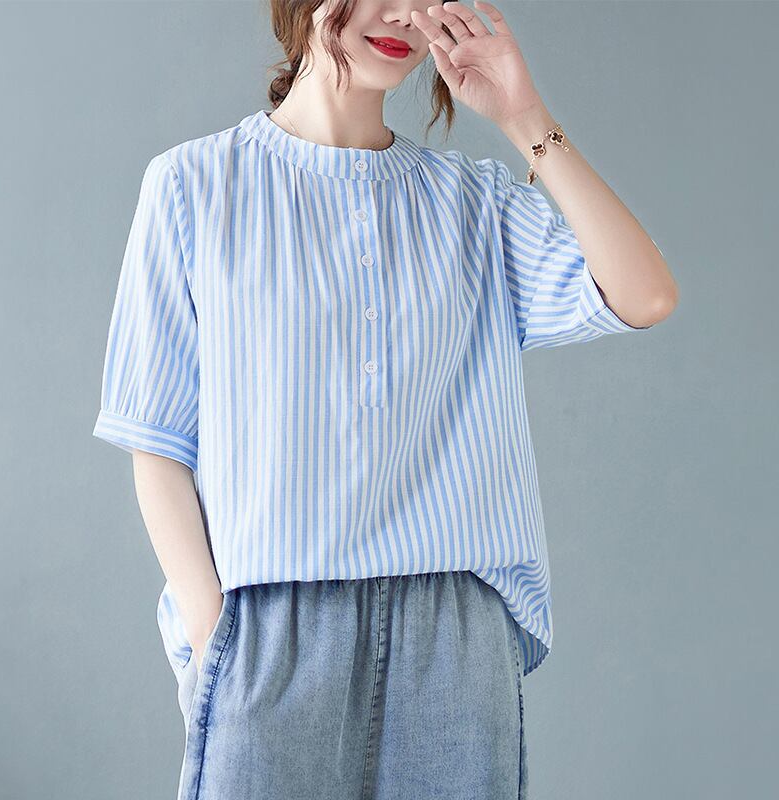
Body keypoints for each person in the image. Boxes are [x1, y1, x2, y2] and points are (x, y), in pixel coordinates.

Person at [91, 1, 678, 798]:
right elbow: (155, 440)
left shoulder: (472, 202)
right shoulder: (194, 185)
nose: (403, 12)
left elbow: (644, 295)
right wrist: (213, 629)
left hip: (453, 632)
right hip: (270, 623)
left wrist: (524, 117)